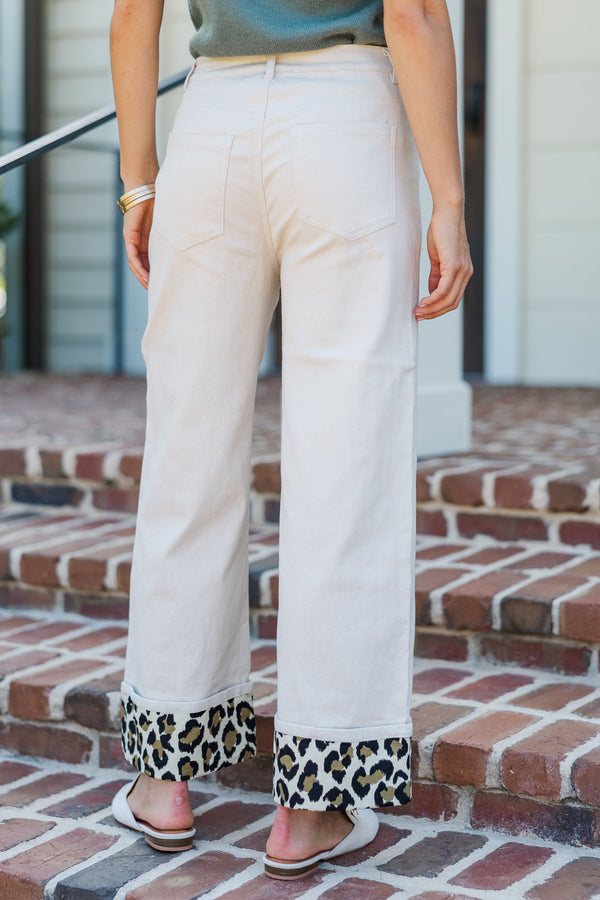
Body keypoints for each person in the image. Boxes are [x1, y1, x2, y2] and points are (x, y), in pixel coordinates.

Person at [109, 0, 472, 879]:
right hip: (346, 119)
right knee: (347, 465)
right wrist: (451, 199)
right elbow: (415, 12)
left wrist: (140, 181)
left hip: (212, 125)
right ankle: (312, 805)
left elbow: (131, 13)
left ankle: (164, 780)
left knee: (187, 458)